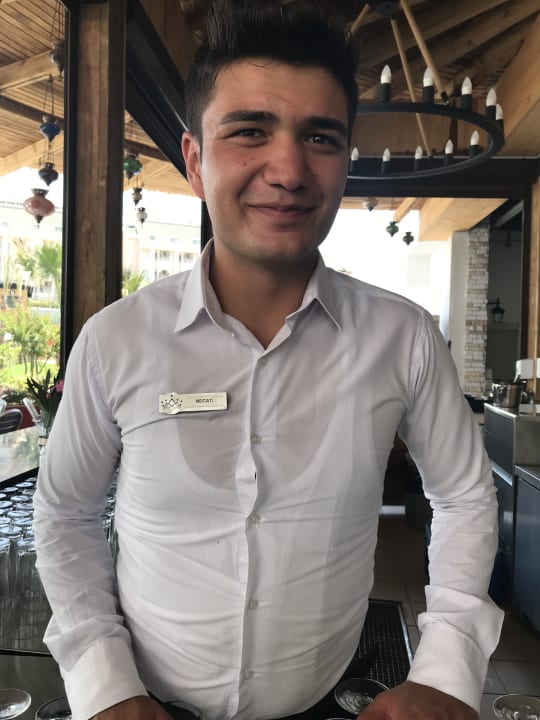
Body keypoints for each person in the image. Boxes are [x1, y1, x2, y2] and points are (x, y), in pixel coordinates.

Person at [33, 2, 503, 720]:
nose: (288, 170)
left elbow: (464, 496)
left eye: (320, 137)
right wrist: (105, 686)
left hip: (325, 699)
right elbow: (66, 511)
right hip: (144, 703)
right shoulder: (114, 340)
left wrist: (447, 668)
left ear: (345, 161)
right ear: (196, 160)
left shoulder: (403, 336)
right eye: (250, 130)